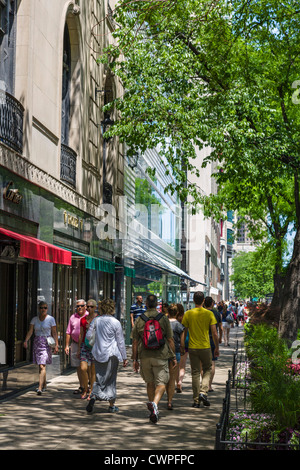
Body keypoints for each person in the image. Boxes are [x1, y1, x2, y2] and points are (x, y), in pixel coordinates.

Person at [132, 294, 176, 424]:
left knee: (150, 383)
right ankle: (155, 404)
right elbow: (170, 339)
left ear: (145, 303)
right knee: (162, 383)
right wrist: (173, 356)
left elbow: (135, 342)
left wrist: (135, 359)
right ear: (157, 304)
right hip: (161, 355)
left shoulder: (140, 319)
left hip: (145, 356)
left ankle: (152, 408)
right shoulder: (163, 318)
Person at [85, 298, 128, 414]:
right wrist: (124, 357)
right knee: (111, 379)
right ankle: (111, 405)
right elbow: (120, 342)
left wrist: (97, 339)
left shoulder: (96, 320)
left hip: (98, 353)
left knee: (99, 378)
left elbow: (89, 336)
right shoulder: (116, 322)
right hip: (111, 354)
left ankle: (94, 395)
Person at [181, 291, 220, 408]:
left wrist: (182, 345)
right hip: (205, 346)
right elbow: (214, 333)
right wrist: (217, 347)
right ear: (203, 301)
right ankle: (203, 391)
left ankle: (196, 400)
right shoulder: (209, 314)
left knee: (195, 372)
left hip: (192, 347)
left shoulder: (188, 314)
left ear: (193, 300)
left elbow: (184, 331)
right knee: (207, 369)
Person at [23, 301, 58, 395]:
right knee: (41, 365)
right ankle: (45, 384)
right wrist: (26, 340)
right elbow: (30, 331)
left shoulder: (51, 319)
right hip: (37, 343)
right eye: (41, 308)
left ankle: (39, 387)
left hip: (46, 344)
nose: (43, 309)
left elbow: (54, 332)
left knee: (42, 365)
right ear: (39, 309)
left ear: (47, 309)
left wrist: (57, 344)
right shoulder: (34, 319)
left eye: (45, 308)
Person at [65, 299, 88, 395]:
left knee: (86, 367)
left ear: (85, 306)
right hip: (74, 344)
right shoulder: (72, 317)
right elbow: (68, 332)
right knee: (78, 367)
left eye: (82, 306)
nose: (79, 308)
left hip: (86, 345)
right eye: (78, 306)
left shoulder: (88, 316)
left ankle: (88, 387)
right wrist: (66, 345)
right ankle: (82, 386)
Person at [77, 299, 98, 399]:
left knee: (93, 371)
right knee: (83, 368)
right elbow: (81, 334)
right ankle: (85, 389)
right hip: (85, 345)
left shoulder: (98, 319)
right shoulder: (83, 319)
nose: (89, 308)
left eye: (91, 307)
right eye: (88, 306)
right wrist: (78, 348)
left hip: (95, 346)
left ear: (95, 308)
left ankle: (91, 392)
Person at [166, 303, 185, 409]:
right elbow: (182, 342)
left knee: (165, 377)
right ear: (177, 313)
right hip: (176, 352)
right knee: (173, 377)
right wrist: (182, 350)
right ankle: (169, 401)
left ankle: (165, 395)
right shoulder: (179, 325)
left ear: (168, 312)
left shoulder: (164, 324)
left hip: (164, 353)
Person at [203, 296, 223, 392]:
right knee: (212, 363)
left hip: (202, 339)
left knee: (202, 364)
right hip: (212, 340)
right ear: (212, 303)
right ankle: (209, 385)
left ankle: (204, 384)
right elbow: (220, 327)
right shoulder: (216, 313)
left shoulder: (202, 313)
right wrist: (220, 338)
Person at [176, 303, 188, 393]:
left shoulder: (171, 319)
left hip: (174, 344)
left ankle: (176, 382)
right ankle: (180, 381)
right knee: (182, 366)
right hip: (184, 342)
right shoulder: (185, 318)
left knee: (175, 366)